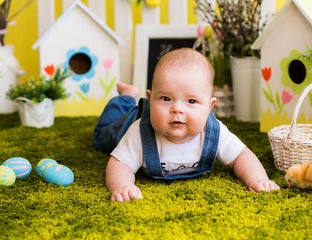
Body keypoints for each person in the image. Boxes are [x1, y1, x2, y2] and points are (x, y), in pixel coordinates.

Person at [94, 48, 280, 202]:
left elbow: (241, 156)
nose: (177, 109)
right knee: (102, 136)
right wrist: (123, 185)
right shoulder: (138, 133)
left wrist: (258, 179)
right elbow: (120, 165)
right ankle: (126, 97)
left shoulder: (214, 132)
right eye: (166, 98)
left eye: (191, 101)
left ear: (209, 107)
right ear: (150, 100)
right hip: (127, 122)